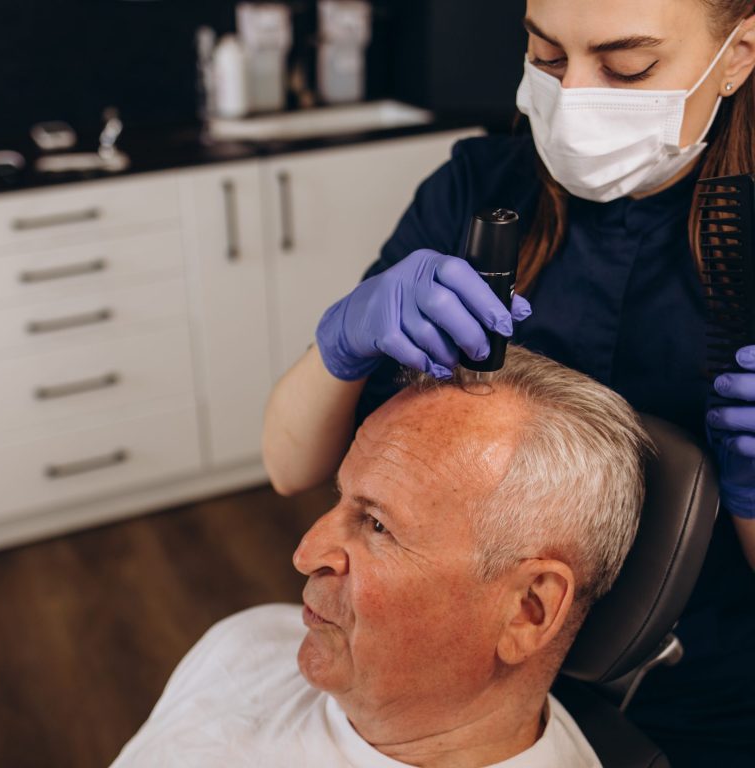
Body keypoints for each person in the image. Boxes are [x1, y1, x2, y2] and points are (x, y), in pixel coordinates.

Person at [262, 2, 755, 765]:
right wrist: (341, 342)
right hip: (461, 670)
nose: (575, 95)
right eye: (547, 56)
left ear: (739, 53)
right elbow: (290, 465)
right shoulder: (477, 191)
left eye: (627, 68)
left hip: (707, 691)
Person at [111, 347, 651, 768]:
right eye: (340, 499)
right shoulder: (249, 643)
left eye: (376, 525)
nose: (305, 554)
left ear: (527, 610)